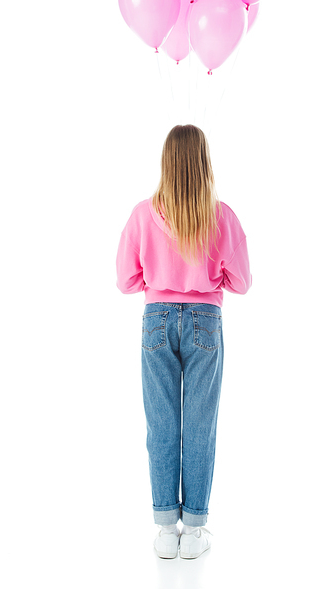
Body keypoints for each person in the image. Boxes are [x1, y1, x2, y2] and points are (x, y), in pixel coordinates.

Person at [116, 124, 252, 559]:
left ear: (166, 162)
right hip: (206, 321)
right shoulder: (222, 216)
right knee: (199, 426)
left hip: (156, 319)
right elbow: (242, 282)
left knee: (161, 424)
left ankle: (163, 529)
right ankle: (193, 531)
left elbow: (125, 280)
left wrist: (158, 282)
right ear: (203, 162)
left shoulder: (142, 214)